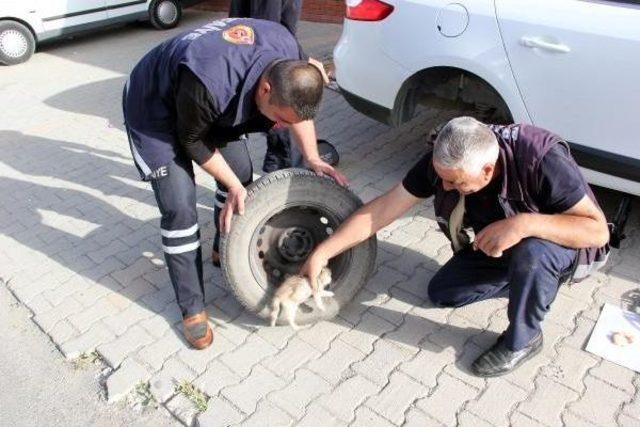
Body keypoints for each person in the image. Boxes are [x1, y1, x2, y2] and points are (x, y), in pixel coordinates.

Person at [302, 116, 610, 376]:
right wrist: (324, 252)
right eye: (443, 179)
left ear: (487, 171)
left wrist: (523, 224)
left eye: (456, 183)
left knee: (532, 256)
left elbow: (597, 233)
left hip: (563, 243)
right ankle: (529, 280)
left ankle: (524, 339)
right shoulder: (448, 159)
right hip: (503, 241)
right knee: (443, 293)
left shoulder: (540, 158)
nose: (446, 187)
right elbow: (383, 209)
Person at [123, 17, 346, 349]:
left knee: (240, 175)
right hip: (155, 110)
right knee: (180, 208)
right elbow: (193, 141)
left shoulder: (289, 55)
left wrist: (312, 157)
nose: (283, 127)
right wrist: (233, 185)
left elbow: (299, 112)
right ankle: (192, 308)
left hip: (204, 107)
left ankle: (221, 248)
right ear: (265, 88)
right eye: (281, 119)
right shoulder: (210, 79)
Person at [228, 0, 339, 178]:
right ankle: (283, 187)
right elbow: (264, 33)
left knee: (284, 141)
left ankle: (280, 177)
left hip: (275, 60)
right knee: (284, 137)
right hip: (268, 71)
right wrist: (302, 59)